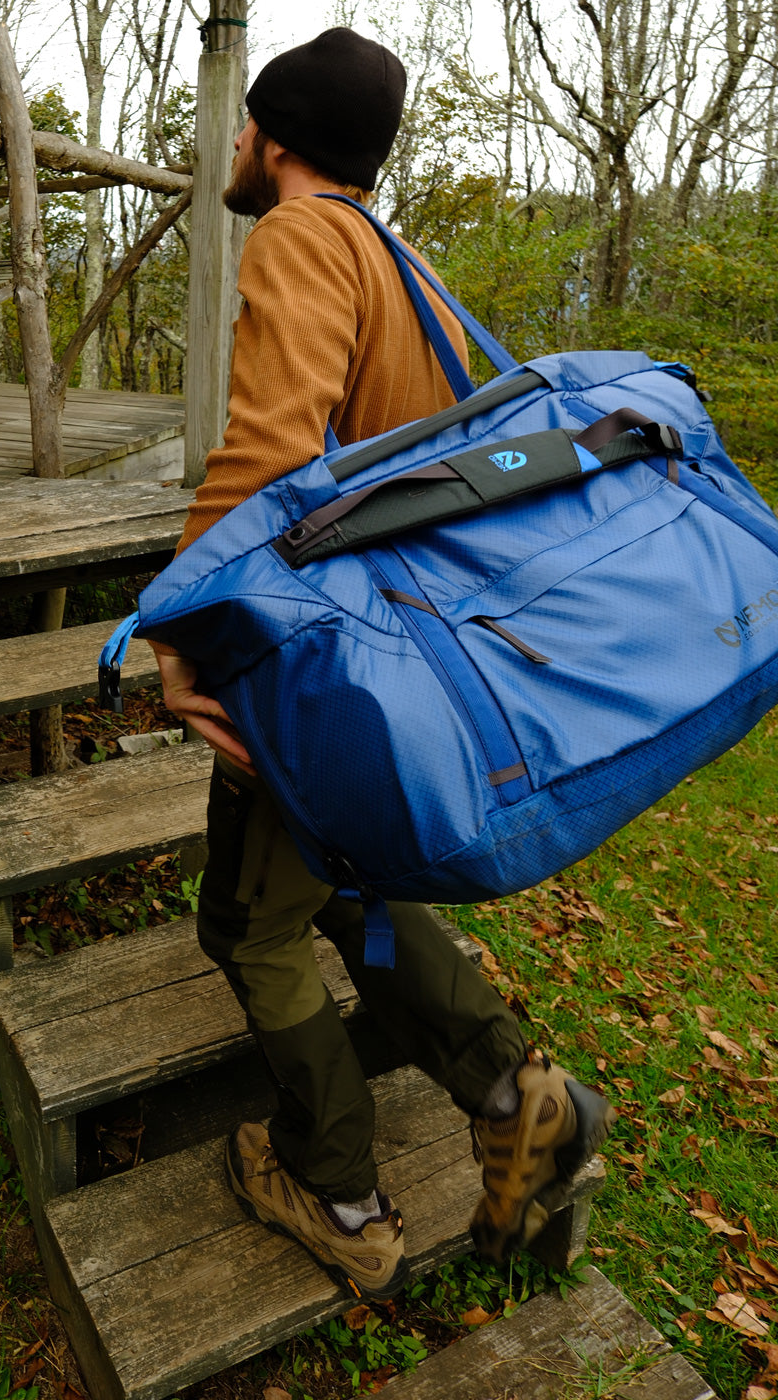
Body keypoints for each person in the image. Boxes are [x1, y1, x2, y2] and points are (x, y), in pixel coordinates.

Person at [152, 27, 615, 1303]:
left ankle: (335, 1185)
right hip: (398, 668)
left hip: (314, 671)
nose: (235, 147)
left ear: (277, 137)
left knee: (249, 922)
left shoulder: (299, 237)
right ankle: (521, 1094)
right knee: (348, 894)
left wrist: (181, 638)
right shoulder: (402, 263)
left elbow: (267, 460)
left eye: (245, 125)